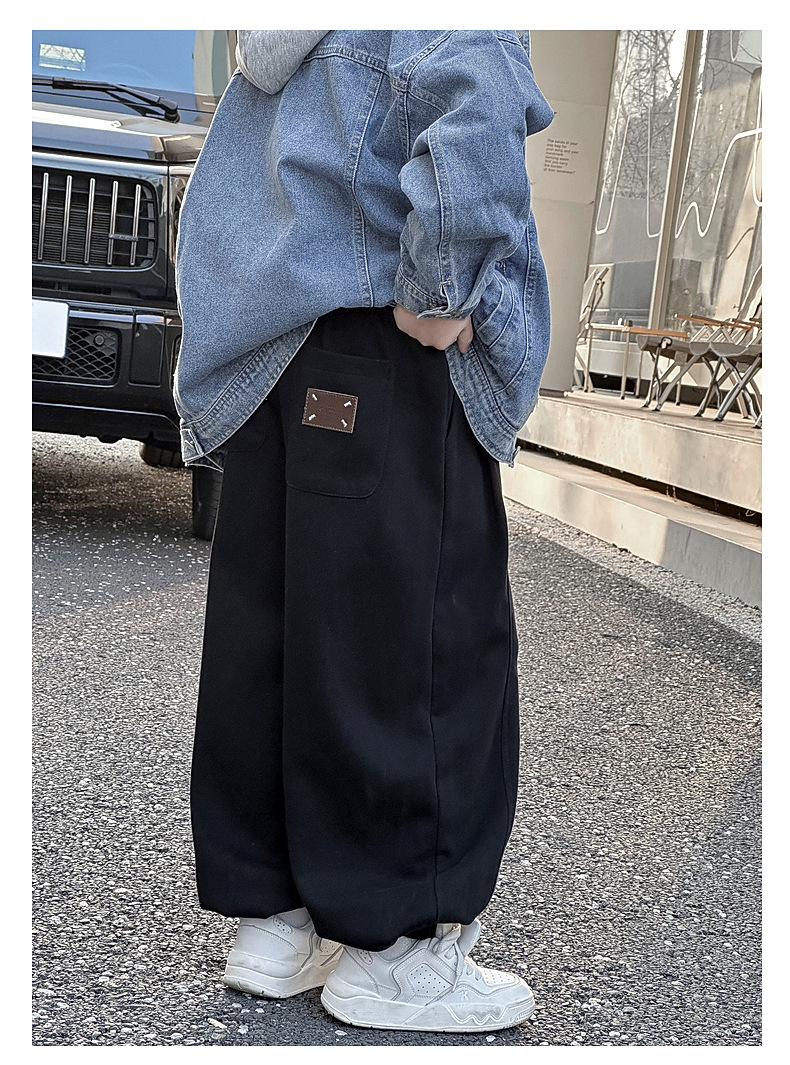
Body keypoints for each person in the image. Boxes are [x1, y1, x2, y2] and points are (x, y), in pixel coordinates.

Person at [174, 29, 553, 1034]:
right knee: (416, 643)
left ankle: (276, 918)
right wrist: (444, 289)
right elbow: (475, 98)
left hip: (277, 349)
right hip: (388, 339)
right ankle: (395, 951)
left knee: (278, 632)